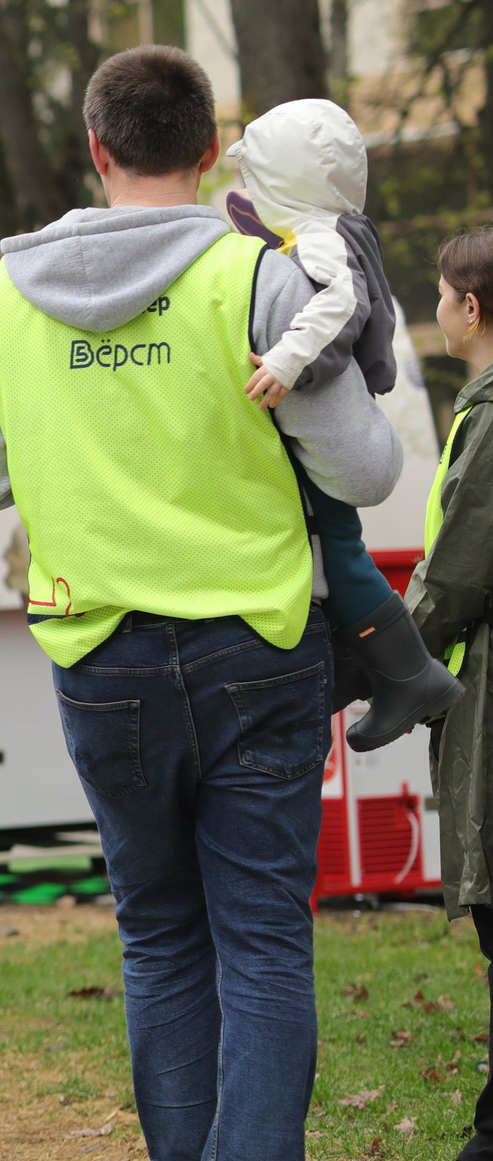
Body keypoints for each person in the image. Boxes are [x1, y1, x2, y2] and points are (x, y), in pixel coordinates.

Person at [0, 45, 402, 1161]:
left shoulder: (10, 290)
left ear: (95, 147)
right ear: (211, 153)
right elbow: (365, 476)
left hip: (100, 653)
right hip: (256, 647)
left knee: (158, 935)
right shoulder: (256, 277)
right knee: (261, 935)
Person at [226, 99, 460, 746]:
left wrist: (286, 358)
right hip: (342, 390)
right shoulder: (320, 225)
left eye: (259, 180)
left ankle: (409, 675)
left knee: (343, 554)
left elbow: (342, 298)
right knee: (338, 549)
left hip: (328, 388)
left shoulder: (321, 236)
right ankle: (387, 671)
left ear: (287, 181)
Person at [400, 232, 493, 1161]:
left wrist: (385, 662)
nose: (434, 310)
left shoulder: (492, 417)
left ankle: (492, 1147)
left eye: (438, 295)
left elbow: (456, 573)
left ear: (469, 308)